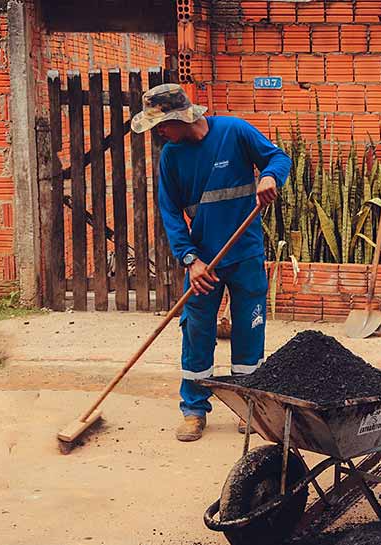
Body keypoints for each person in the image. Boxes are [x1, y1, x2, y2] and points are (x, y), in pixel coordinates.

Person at [131, 84, 291, 441]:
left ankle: (248, 403)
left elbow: (279, 158)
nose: (158, 132)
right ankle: (193, 408)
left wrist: (269, 176)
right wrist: (190, 259)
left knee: (249, 328)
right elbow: (170, 212)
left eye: (161, 124)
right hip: (204, 262)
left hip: (245, 252)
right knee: (197, 329)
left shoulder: (234, 131)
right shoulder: (171, 156)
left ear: (179, 117)